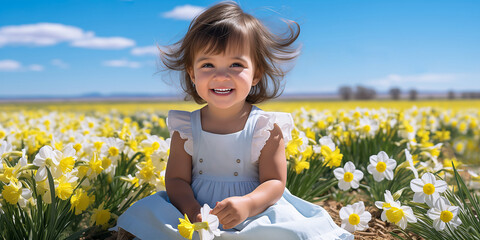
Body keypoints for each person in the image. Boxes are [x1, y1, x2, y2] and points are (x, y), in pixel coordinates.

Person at [112, 2, 353, 239]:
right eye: (208, 64)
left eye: (236, 64)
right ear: (192, 73)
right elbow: (176, 180)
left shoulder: (267, 128)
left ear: (256, 73)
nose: (221, 75)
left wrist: (248, 204)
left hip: (255, 213)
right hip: (195, 211)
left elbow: (274, 182)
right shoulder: (185, 128)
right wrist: (193, 211)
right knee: (149, 216)